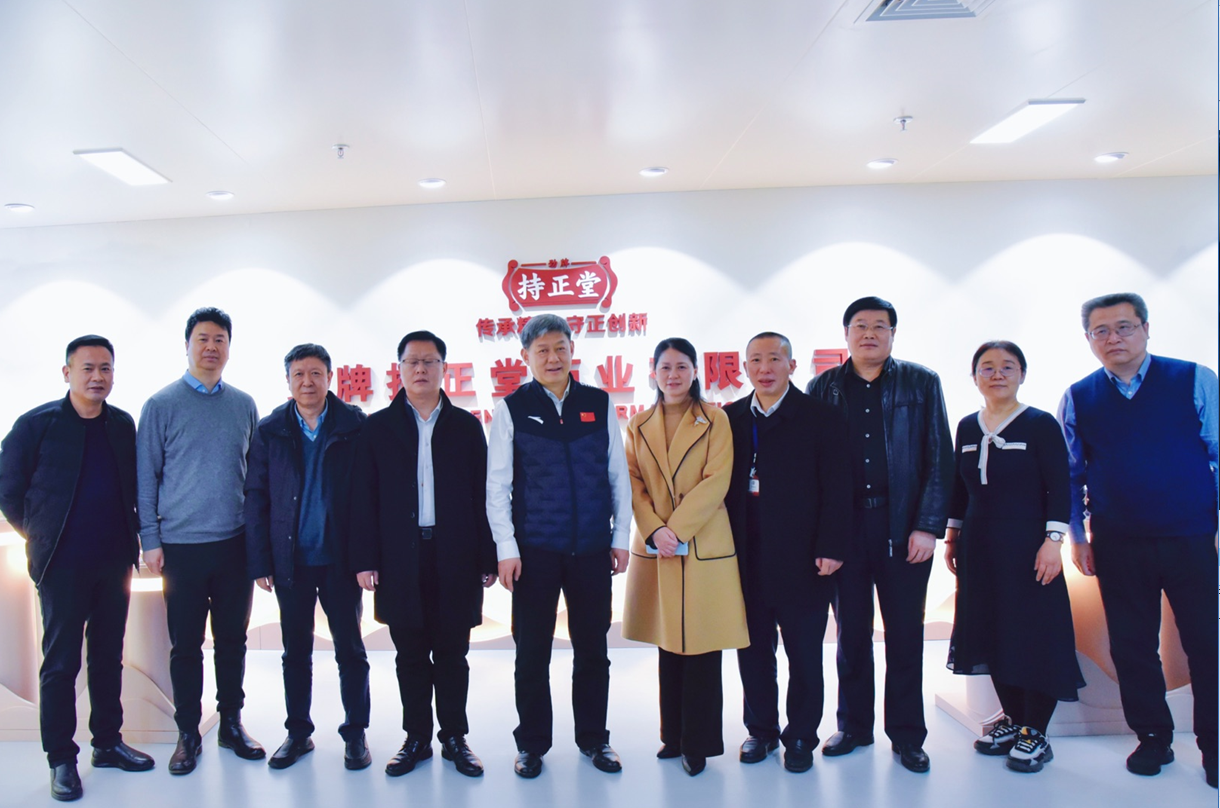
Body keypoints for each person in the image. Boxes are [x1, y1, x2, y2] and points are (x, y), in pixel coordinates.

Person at [1058, 292, 1218, 787]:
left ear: (1146, 329)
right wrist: (1078, 537)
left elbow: (1217, 450)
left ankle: (1214, 746)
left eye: (1124, 327)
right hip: (1118, 541)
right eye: (1101, 331)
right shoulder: (1079, 396)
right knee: (1131, 645)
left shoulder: (1194, 379)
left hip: (1191, 536)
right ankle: (1152, 738)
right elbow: (1070, 475)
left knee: (1206, 643)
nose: (1114, 339)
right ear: (1089, 339)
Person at [0, 336, 154, 801]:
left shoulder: (122, 425)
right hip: (61, 565)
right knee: (61, 663)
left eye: (106, 368)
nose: (97, 377)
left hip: (113, 561)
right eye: (88, 368)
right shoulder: (36, 425)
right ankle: (61, 759)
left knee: (108, 656)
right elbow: (7, 489)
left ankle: (106, 743)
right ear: (67, 373)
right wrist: (39, 534)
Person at [806, 296, 953, 773]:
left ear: (893, 333)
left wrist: (928, 526)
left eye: (879, 326)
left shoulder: (921, 382)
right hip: (845, 530)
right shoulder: (823, 387)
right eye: (860, 326)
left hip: (904, 527)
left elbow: (939, 457)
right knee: (851, 635)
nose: (869, 334)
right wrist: (823, 537)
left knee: (905, 634)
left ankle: (908, 735)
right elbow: (812, 468)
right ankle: (853, 726)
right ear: (846, 334)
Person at [486, 313, 633, 779]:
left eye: (560, 348)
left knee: (593, 651)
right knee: (532, 654)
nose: (553, 358)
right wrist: (506, 548)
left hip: (591, 549)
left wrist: (620, 536)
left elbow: (617, 475)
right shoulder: (512, 409)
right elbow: (497, 486)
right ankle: (531, 744)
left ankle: (594, 739)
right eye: (542, 350)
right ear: (525, 356)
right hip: (535, 552)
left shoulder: (598, 403)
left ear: (572, 350)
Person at [349, 331, 497, 778]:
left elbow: (483, 495)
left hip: (456, 556)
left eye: (429, 361)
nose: (420, 369)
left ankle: (454, 738)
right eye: (412, 361)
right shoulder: (377, 427)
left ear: (443, 369)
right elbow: (363, 497)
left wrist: (488, 556)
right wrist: (365, 558)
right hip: (399, 558)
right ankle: (416, 738)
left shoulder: (466, 426)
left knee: (453, 654)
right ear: (399, 369)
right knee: (409, 656)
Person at [944, 341, 1085, 774]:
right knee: (991, 631)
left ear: (1022, 374)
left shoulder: (1040, 424)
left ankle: (1036, 731)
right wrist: (953, 536)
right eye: (987, 367)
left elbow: (1060, 486)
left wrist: (1053, 541)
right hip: (979, 547)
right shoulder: (967, 427)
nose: (997, 374)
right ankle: (1014, 721)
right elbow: (959, 487)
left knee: (1033, 635)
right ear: (974, 377)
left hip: (1029, 547)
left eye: (1008, 366)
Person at [137, 307, 264, 775]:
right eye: (203, 339)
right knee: (186, 646)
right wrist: (150, 539)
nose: (211, 347)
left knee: (232, 640)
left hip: (234, 544)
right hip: (181, 547)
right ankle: (187, 733)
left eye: (219, 340)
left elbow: (254, 477)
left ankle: (231, 723)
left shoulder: (244, 405)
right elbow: (145, 479)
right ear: (187, 345)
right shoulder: (161, 405)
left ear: (229, 347)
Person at [725, 332, 853, 774]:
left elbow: (838, 487)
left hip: (805, 559)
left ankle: (800, 735)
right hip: (746, 558)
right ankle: (760, 730)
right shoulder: (731, 419)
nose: (765, 368)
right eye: (756, 360)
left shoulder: (821, 417)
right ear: (745, 368)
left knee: (804, 654)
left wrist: (832, 546)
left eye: (775, 359)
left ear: (792, 366)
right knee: (753, 650)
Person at [622, 338, 748, 777]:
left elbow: (717, 480)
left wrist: (675, 529)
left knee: (702, 646)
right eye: (665, 367)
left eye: (681, 367)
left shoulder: (715, 419)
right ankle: (672, 737)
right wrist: (655, 529)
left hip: (701, 542)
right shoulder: (638, 425)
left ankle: (699, 744)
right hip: (658, 545)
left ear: (696, 371)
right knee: (669, 644)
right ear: (653, 373)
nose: (673, 375)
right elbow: (632, 483)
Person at [244, 343, 371, 771]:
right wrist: (261, 561)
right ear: (288, 381)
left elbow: (369, 497)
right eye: (298, 374)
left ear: (330, 378)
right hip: (291, 562)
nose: (307, 382)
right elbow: (256, 496)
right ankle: (298, 733)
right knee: (295, 652)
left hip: (340, 561)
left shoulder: (355, 425)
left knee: (350, 650)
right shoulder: (271, 429)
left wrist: (367, 557)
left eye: (316, 373)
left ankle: (355, 733)